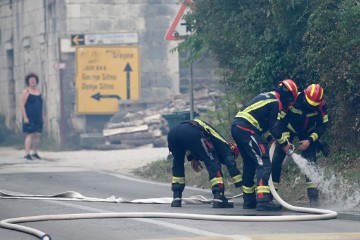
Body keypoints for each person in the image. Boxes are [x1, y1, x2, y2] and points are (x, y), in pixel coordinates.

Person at [231, 79, 298, 211]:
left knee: (250, 163)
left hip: (238, 127)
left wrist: (270, 138)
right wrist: (284, 143)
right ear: (287, 95)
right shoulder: (275, 102)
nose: (290, 105)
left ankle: (249, 200)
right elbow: (274, 127)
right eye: (290, 100)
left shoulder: (267, 96)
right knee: (264, 162)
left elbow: (262, 124)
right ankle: (262, 200)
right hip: (247, 129)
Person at [271, 83, 329, 207]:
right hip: (289, 129)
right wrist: (284, 141)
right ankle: (271, 196)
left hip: (308, 132)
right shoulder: (293, 99)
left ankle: (314, 200)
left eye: (314, 105)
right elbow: (279, 121)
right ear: (304, 95)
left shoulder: (321, 106)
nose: (310, 107)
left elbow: (322, 125)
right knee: (277, 160)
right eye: (308, 104)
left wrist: (310, 140)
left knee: (311, 163)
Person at [167, 118, 243, 208]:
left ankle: (176, 198)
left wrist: (192, 158)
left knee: (178, 162)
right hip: (191, 131)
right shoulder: (225, 146)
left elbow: (192, 143)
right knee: (212, 162)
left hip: (173, 133)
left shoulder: (216, 141)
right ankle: (219, 197)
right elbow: (230, 163)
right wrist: (242, 187)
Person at [20, 73, 45, 160]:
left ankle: (34, 152)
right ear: (28, 82)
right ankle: (27, 154)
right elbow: (22, 105)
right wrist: (25, 117)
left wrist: (42, 115)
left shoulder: (39, 91)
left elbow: (41, 105)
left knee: (37, 134)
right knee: (30, 134)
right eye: (31, 80)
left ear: (36, 81)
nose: (33, 81)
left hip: (38, 116)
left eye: (34, 80)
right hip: (29, 116)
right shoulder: (26, 92)